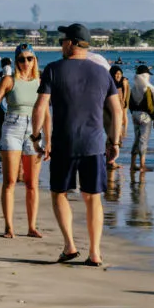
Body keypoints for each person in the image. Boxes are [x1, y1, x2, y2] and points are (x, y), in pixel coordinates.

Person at [30, 23, 122, 267]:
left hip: (64, 143)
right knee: (93, 198)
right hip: (94, 144)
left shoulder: (53, 70)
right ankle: (95, 253)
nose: (61, 44)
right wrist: (115, 140)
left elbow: (40, 106)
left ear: (71, 43)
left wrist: (36, 136)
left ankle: (70, 245)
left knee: (59, 192)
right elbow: (117, 110)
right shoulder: (103, 72)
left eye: (63, 41)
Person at [0, 44, 50, 238]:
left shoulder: (42, 80)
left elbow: (46, 112)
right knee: (10, 181)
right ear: (16, 61)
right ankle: (9, 227)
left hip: (34, 130)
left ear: (35, 59)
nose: (26, 62)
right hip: (12, 128)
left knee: (32, 182)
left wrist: (49, 140)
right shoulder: (8, 80)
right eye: (22, 59)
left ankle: (32, 226)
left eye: (29, 58)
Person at [128, 64, 154, 172]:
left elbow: (129, 103)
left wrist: (133, 113)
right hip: (145, 116)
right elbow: (150, 105)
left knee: (136, 139)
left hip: (135, 115)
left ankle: (132, 165)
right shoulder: (147, 89)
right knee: (143, 141)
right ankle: (142, 165)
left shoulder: (134, 88)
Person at [108, 65, 131, 144]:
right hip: (118, 96)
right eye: (115, 74)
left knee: (124, 113)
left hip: (125, 94)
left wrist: (124, 101)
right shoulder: (111, 80)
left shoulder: (124, 81)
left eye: (119, 74)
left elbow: (125, 91)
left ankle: (125, 130)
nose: (117, 75)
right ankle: (119, 130)